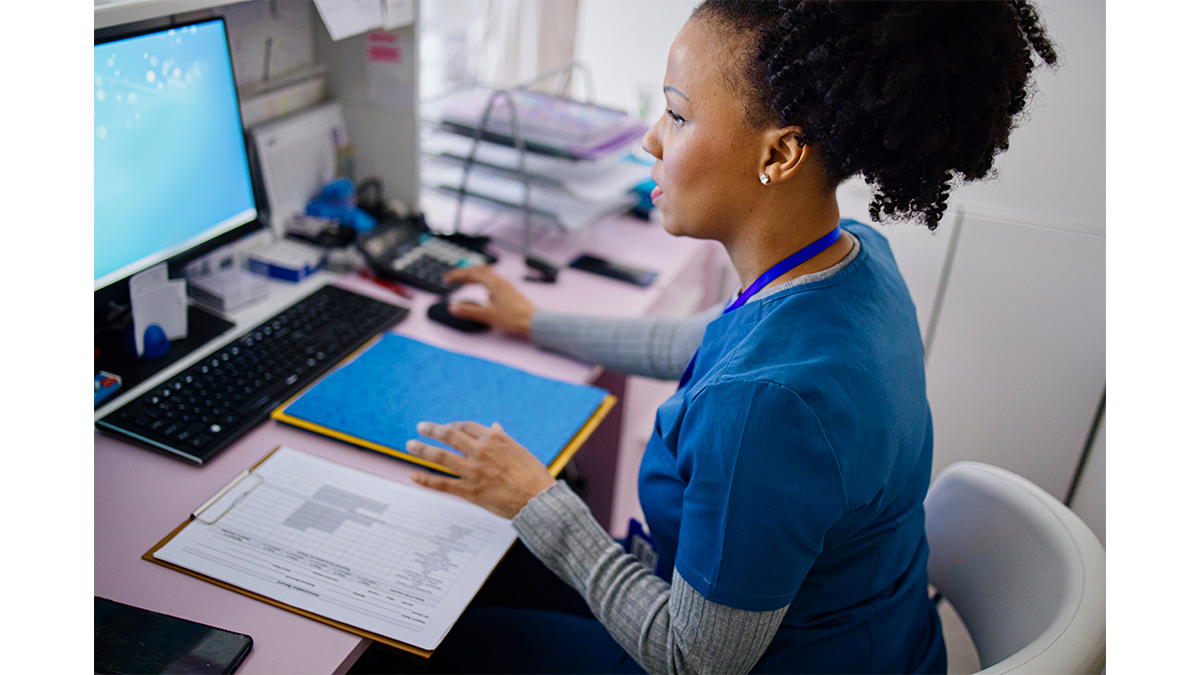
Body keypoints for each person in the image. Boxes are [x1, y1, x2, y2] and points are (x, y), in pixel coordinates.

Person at [399, 0, 1057, 673]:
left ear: (779, 153)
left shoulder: (765, 408)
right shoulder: (855, 259)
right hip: (879, 641)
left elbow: (692, 659)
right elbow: (710, 341)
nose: (651, 140)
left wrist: (538, 498)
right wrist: (533, 322)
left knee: (430, 639)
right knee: (477, 564)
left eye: (678, 116)